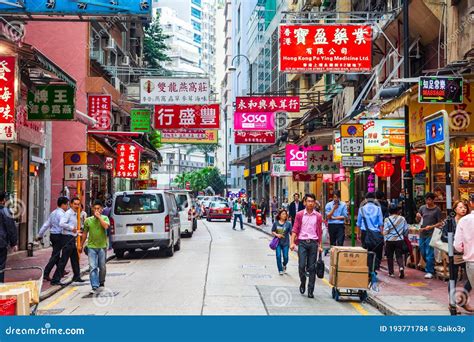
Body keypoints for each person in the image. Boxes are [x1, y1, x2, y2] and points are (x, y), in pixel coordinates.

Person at [290, 194, 323, 299]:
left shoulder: (318, 216)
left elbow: (320, 232)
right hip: (302, 243)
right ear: (304, 202)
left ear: (315, 203)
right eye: (308, 201)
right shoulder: (299, 215)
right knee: (301, 265)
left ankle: (310, 290)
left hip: (313, 243)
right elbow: (295, 229)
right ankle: (303, 281)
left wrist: (320, 245)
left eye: (312, 201)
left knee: (312, 268)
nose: (310, 203)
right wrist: (292, 242)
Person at [443, 200, 472, 312]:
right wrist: (456, 239)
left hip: (468, 253)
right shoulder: (449, 221)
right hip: (454, 253)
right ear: (455, 209)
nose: (463, 209)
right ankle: (452, 304)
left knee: (471, 277)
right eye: (460, 207)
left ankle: (462, 299)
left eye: (465, 207)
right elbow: (443, 236)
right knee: (453, 279)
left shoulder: (469, 220)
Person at [38, 197, 70, 284]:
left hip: (53, 235)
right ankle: (46, 272)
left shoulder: (53, 213)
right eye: (67, 204)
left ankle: (60, 270)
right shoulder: (62, 214)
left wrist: (40, 235)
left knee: (55, 254)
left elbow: (46, 224)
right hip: (59, 236)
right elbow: (64, 225)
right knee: (56, 255)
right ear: (63, 204)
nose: (67, 206)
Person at [81, 199, 110, 294]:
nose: (97, 210)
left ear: (102, 209)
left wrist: (99, 218)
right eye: (95, 208)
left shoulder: (105, 218)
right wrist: (80, 245)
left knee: (102, 266)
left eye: (99, 208)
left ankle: (101, 282)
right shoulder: (88, 220)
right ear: (92, 209)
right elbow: (85, 233)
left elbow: (106, 226)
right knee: (92, 267)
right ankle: (94, 286)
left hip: (102, 246)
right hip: (91, 247)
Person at [55, 197, 85, 284]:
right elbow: (61, 223)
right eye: (75, 204)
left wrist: (77, 232)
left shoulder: (75, 214)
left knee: (75, 258)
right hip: (67, 238)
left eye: (78, 204)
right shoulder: (68, 213)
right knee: (64, 260)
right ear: (71, 204)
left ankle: (76, 276)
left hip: (71, 238)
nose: (76, 206)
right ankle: (56, 279)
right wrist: (72, 228)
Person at [454, 194, 474, 313]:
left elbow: (457, 245)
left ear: (471, 203)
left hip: (471, 261)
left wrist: (466, 249)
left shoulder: (464, 221)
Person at [416, 192, 443, 279]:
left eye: (429, 199)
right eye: (426, 199)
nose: (428, 201)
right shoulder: (422, 208)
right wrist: (418, 217)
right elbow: (418, 220)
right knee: (422, 251)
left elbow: (440, 223)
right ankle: (431, 265)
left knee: (429, 253)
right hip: (422, 233)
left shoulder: (437, 210)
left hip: (431, 234)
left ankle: (429, 271)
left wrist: (431, 226)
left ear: (433, 200)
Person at [356, 192, 384, 271]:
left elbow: (358, 223)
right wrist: (382, 234)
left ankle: (368, 266)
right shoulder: (378, 208)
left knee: (366, 250)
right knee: (376, 250)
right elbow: (380, 223)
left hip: (365, 232)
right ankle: (375, 266)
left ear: (365, 200)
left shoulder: (362, 209)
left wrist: (358, 234)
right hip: (376, 233)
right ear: (374, 199)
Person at [383, 204, 408, 279]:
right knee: (399, 255)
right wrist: (403, 235)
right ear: (397, 210)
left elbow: (386, 231)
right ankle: (401, 267)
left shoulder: (387, 219)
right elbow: (406, 230)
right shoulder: (402, 218)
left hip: (389, 240)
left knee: (389, 256)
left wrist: (385, 239)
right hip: (399, 240)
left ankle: (391, 273)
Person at [0, 192, 18, 283]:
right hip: (1, 242)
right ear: (3, 201)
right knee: (0, 266)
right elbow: (11, 228)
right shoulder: (6, 211)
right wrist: (14, 243)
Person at [272, 209, 292, 275]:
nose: (284, 215)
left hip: (286, 243)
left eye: (285, 214)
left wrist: (294, 241)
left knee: (286, 257)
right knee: (278, 256)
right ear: (280, 215)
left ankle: (284, 264)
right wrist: (277, 235)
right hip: (278, 243)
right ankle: (280, 269)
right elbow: (273, 231)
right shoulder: (276, 223)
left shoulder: (288, 224)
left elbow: (291, 233)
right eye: (283, 214)